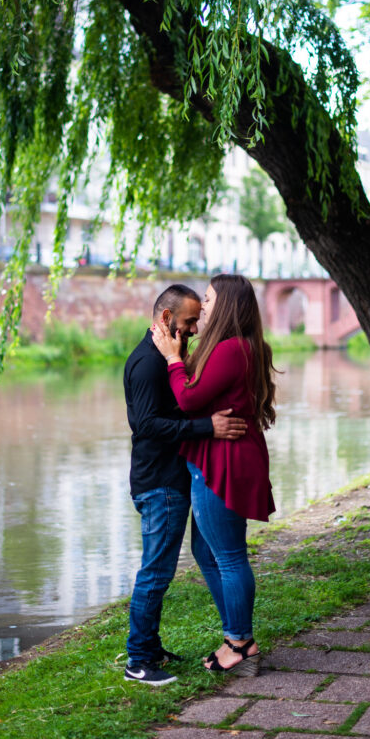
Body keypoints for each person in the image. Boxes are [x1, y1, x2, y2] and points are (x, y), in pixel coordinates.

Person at [152, 273, 276, 677]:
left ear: (226, 305)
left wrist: (172, 359)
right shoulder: (238, 347)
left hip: (222, 461)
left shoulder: (230, 349)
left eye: (208, 299)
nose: (203, 307)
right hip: (217, 457)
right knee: (208, 553)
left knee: (227, 555)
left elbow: (188, 398)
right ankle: (235, 636)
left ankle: (240, 643)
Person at [123, 283, 248, 686]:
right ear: (166, 319)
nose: (195, 328)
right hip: (159, 483)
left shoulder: (165, 358)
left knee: (165, 567)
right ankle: (138, 660)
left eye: (198, 319)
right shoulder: (148, 363)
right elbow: (146, 426)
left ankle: (151, 646)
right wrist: (207, 427)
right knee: (156, 572)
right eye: (190, 321)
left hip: (169, 479)